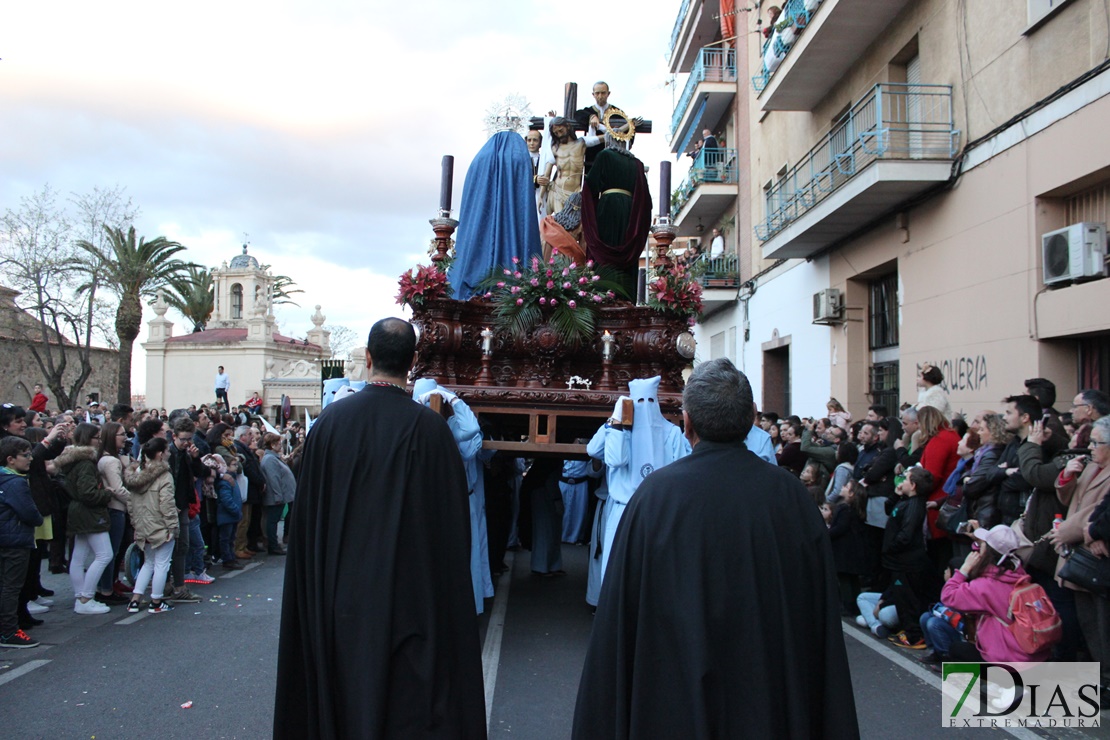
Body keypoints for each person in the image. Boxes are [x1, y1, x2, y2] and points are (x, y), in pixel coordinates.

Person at [573, 358, 857, 738]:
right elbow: (817, 610)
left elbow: (619, 619)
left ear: (686, 422)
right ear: (751, 417)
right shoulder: (790, 497)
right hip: (767, 697)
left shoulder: (656, 497)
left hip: (673, 699)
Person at [274, 318, 485, 738]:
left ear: (368, 358)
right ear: (413, 363)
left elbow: (307, 523)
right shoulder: (432, 432)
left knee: (343, 696)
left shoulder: (330, 426)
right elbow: (452, 534)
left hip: (339, 598)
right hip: (412, 604)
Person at [586, 376, 690, 586]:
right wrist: (615, 420)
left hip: (658, 510)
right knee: (618, 574)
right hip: (622, 511)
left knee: (654, 574)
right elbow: (593, 450)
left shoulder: (671, 432)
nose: (645, 407)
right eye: (639, 402)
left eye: (650, 401)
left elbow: (680, 470)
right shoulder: (617, 429)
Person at [448, 131, 542, 301]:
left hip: (472, 261)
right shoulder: (519, 156)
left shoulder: (480, 160)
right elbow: (523, 206)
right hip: (515, 256)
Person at [580, 132, 652, 298]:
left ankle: (603, 298)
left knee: (605, 250)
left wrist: (592, 210)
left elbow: (590, 186)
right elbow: (646, 201)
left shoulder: (605, 155)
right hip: (630, 213)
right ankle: (625, 300)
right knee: (626, 261)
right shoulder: (637, 164)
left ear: (610, 139)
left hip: (608, 208)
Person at [59, 423, 113, 615]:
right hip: (89, 512)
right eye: (96, 437)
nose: (99, 441)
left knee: (79, 556)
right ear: (87, 439)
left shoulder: (72, 460)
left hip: (78, 511)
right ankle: (86, 598)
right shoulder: (85, 463)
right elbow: (88, 493)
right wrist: (107, 494)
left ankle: (80, 596)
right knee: (104, 554)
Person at [124, 437, 178, 614]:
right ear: (161, 454)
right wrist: (172, 527)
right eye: (167, 450)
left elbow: (130, 503)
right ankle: (156, 600)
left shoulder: (136, 473)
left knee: (148, 563)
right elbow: (167, 504)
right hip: (160, 525)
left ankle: (135, 599)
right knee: (162, 563)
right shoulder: (164, 475)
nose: (169, 453)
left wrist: (135, 523)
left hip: (143, 524)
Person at [0, 436, 43, 648]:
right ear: (10, 459)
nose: (30, 459)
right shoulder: (15, 482)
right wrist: (36, 519)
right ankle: (8, 632)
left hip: (5, 538)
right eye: (25, 455)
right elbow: (29, 513)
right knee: (11, 588)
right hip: (15, 541)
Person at [259, 432, 295, 556]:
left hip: (279, 495)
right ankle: (273, 545)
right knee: (272, 521)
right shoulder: (269, 459)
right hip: (275, 497)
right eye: (278, 443)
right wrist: (278, 495)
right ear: (273, 445)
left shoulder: (273, 457)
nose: (280, 445)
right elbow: (273, 479)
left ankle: (274, 544)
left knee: (273, 520)